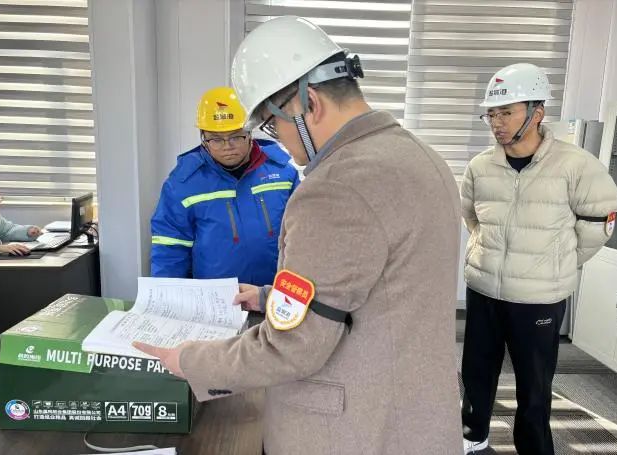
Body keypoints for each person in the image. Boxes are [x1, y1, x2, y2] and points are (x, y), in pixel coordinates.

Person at [136, 16, 462, 454]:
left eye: (272, 125)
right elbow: (375, 289)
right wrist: (271, 296)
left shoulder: (335, 187)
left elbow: (293, 346)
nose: (279, 142)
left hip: (352, 432)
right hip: (417, 415)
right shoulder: (420, 157)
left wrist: (190, 360)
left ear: (309, 103)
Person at [460, 63, 617, 455]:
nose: (496, 123)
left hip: (538, 299)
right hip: (484, 288)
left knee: (534, 385)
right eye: (491, 114)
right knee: (477, 372)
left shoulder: (575, 165)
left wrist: (556, 262)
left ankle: (533, 448)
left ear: (537, 113)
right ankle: (473, 436)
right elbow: (472, 217)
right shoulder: (480, 166)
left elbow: (600, 223)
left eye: (506, 112)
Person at [150, 87, 300, 286]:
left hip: (275, 293)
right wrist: (167, 296)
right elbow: (169, 251)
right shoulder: (182, 185)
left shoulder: (283, 172)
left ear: (249, 132)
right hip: (216, 298)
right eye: (216, 139)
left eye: (236, 136)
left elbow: (303, 236)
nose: (227, 146)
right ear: (203, 138)